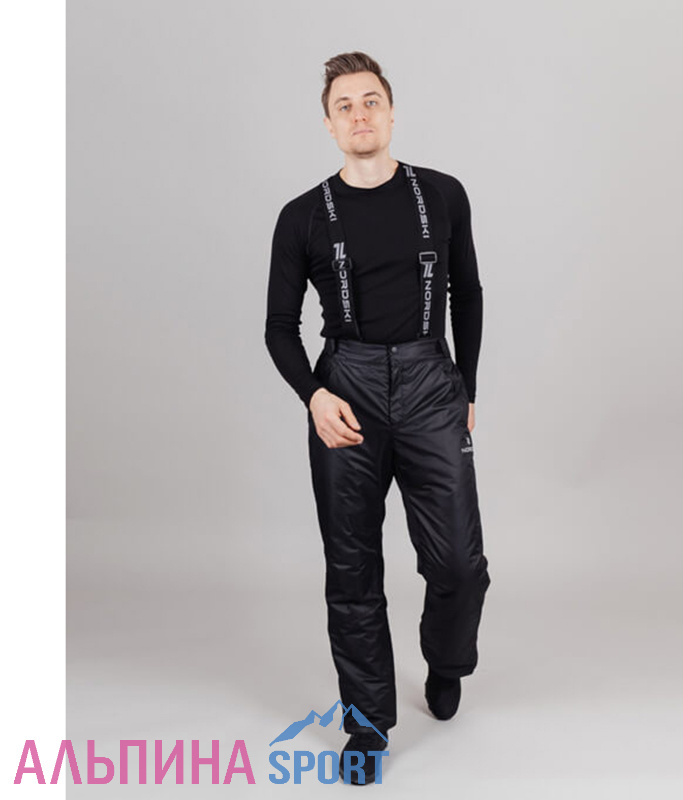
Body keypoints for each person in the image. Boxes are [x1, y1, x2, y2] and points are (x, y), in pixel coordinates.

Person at [264, 51, 490, 785]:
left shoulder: (444, 194)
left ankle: (446, 661)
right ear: (329, 126)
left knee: (459, 566)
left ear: (391, 113)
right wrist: (314, 395)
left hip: (430, 383)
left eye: (370, 102)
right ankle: (367, 724)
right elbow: (278, 327)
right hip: (347, 388)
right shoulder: (301, 216)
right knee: (352, 568)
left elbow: (467, 293)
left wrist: (467, 387)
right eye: (344, 106)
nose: (359, 115)